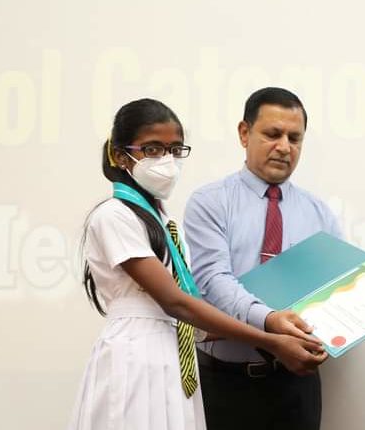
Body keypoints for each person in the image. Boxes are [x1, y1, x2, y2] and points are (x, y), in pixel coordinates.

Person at [68, 98, 326, 430]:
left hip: (171, 354)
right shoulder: (113, 215)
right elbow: (177, 303)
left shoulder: (161, 220)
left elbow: (184, 312)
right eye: (152, 149)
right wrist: (270, 338)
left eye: (175, 150)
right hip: (135, 356)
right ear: (120, 155)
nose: (167, 161)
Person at [184, 87, 342, 430]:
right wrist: (270, 322)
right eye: (273, 134)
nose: (284, 147)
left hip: (296, 384)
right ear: (244, 133)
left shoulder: (320, 214)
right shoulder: (210, 203)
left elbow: (335, 291)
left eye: (294, 138)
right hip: (224, 383)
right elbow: (214, 282)